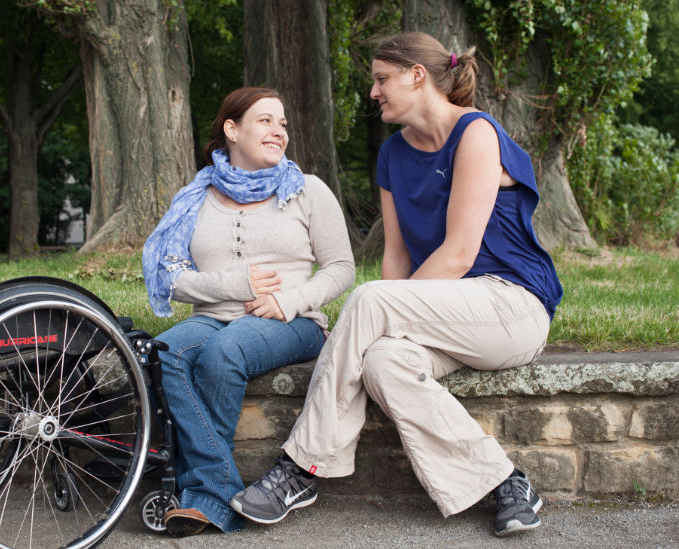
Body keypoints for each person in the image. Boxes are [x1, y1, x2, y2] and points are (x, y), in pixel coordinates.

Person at [230, 32, 563, 537]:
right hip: (448, 316)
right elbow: (396, 260)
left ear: (417, 75)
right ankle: (506, 483)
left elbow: (457, 256)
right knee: (383, 362)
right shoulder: (391, 157)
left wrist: (386, 308)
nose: (373, 92)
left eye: (381, 79)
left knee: (369, 300)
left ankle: (301, 467)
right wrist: (380, 330)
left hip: (511, 307)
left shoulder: (476, 134)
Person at [142, 87, 355, 537]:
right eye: (265, 121)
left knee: (225, 349)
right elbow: (172, 275)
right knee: (160, 353)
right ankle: (218, 488)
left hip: (292, 322)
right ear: (231, 130)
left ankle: (204, 497)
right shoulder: (195, 198)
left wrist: (288, 301)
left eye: (282, 123)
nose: (278, 131)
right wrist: (231, 285)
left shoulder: (307, 190)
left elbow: (341, 269)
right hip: (210, 315)